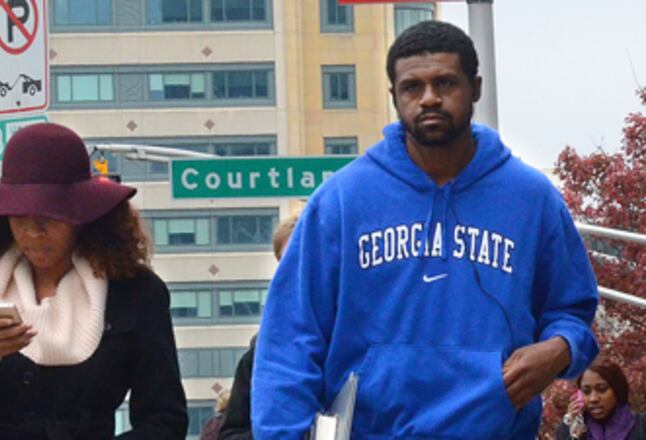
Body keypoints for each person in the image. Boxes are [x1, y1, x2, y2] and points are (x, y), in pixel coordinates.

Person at [251, 20, 600, 439]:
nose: (429, 98)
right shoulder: (342, 199)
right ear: (395, 97)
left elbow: (572, 310)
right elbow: (290, 337)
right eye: (412, 87)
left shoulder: (531, 197)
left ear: (476, 88)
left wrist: (559, 349)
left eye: (445, 83)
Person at [0, 123, 188, 439]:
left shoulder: (136, 292)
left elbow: (165, 420)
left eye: (50, 217)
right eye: (19, 217)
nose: (33, 231)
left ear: (82, 215)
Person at [217, 213, 299, 440]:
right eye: (287, 261)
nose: (296, 271)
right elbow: (230, 434)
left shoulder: (358, 339)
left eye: (306, 258)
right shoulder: (261, 355)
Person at [556, 358, 646, 440]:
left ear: (617, 390)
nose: (593, 399)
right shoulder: (568, 431)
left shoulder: (641, 426)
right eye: (586, 392)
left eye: (602, 389)